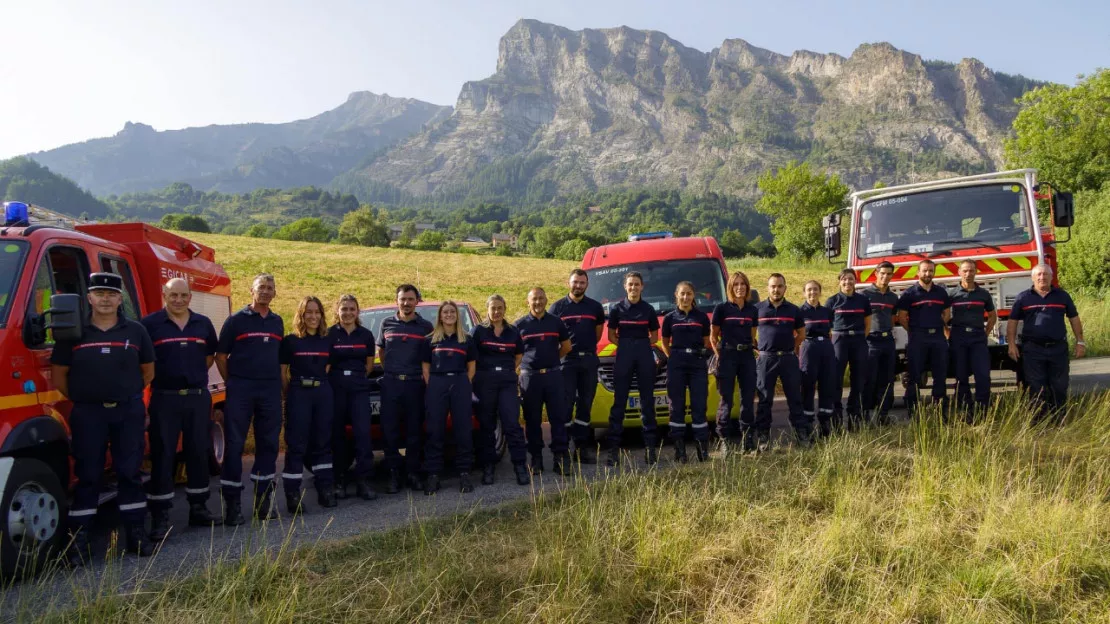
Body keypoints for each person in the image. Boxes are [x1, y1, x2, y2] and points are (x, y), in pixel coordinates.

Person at [51, 273, 156, 565]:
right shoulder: (73, 333)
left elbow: (148, 371)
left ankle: (136, 535)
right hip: (88, 413)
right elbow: (59, 376)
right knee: (89, 476)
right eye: (100, 293)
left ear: (120, 299)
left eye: (111, 294)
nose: (106, 299)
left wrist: (126, 393)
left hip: (127, 411)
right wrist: (87, 397)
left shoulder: (136, 332)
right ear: (89, 298)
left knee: (129, 473)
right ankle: (78, 543)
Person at [141, 277, 221, 544]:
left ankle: (198, 508)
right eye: (173, 295)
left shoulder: (203, 324)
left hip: (197, 397)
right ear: (164, 294)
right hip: (165, 397)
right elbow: (144, 361)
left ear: (190, 297)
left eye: (183, 295)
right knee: (163, 454)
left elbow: (209, 357)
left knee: (198, 451)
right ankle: (161, 516)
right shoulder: (150, 324)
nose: (178, 300)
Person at [215, 273, 284, 524]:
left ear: (275, 292)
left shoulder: (277, 322)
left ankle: (263, 503)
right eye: (261, 287)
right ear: (251, 291)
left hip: (269, 391)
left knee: (268, 445)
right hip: (241, 389)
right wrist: (233, 382)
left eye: (270, 287)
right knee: (234, 445)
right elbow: (220, 356)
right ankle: (232, 505)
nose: (265, 291)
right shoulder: (236, 322)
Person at [1006, 264, 1085, 424]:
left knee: (1060, 386)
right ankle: (1038, 423)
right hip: (1032, 349)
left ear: (1051, 277)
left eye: (1045, 274)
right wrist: (1011, 344)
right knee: (1036, 386)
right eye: (1039, 275)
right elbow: (1012, 322)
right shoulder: (1023, 297)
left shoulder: (1062, 296)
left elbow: (1074, 319)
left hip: (1058, 348)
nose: (1042, 277)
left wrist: (1080, 342)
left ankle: (1060, 420)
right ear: (1033, 278)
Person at [280, 296, 336, 513]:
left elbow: (328, 367)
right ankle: (293, 494)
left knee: (323, 442)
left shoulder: (327, 339)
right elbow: (282, 373)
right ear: (301, 315)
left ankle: (325, 489)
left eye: (316, 312)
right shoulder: (290, 341)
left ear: (321, 315)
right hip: (298, 393)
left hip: (322, 392)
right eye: (308, 312)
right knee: (296, 444)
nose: (313, 316)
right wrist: (291, 393)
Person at [377, 284, 434, 492]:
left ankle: (413, 472)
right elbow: (382, 354)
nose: (406, 303)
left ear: (417, 301)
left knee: (414, 432)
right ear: (397, 300)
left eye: (410, 299)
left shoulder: (426, 327)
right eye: (403, 299)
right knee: (389, 432)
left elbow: (429, 358)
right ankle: (393, 474)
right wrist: (392, 372)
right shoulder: (386, 323)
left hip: (414, 385)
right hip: (391, 384)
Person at [472, 294, 530, 486]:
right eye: (493, 308)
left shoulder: (513, 332)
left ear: (505, 309)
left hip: (507, 382)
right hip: (484, 382)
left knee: (512, 425)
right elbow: (471, 357)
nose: (496, 312)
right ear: (487, 309)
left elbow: (519, 354)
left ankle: (520, 467)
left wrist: (506, 370)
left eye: (500, 308)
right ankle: (488, 467)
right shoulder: (478, 332)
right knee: (487, 425)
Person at [549, 269, 606, 464]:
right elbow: (552, 338)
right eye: (575, 282)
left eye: (582, 282)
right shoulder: (557, 308)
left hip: (589, 361)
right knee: (565, 404)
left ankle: (581, 448)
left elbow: (597, 335)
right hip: (567, 362)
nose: (578, 286)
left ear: (587, 284)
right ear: (569, 283)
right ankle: (564, 448)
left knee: (585, 404)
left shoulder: (595, 308)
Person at [605, 272, 662, 466]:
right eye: (630, 284)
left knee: (647, 402)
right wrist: (626, 345)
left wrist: (641, 346)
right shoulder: (617, 309)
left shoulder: (648, 309)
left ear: (642, 287)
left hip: (644, 353)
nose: (633, 288)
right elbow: (612, 335)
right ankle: (613, 450)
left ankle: (650, 449)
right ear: (625, 287)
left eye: (637, 284)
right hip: (624, 354)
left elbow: (654, 335)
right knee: (619, 402)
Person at [421, 301, 478, 494]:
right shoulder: (430, 339)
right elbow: (425, 367)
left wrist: (463, 383)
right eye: (445, 312)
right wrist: (434, 385)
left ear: (457, 315)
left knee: (463, 429)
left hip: (460, 382)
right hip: (437, 384)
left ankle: (464, 473)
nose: (449, 315)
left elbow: (471, 367)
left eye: (452, 311)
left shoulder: (466, 339)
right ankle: (433, 475)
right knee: (434, 430)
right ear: (440, 316)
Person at [516, 287, 573, 475]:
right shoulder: (519, 325)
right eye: (534, 299)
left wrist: (552, 360)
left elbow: (566, 347)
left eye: (541, 298)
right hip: (530, 378)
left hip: (553, 375)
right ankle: (536, 459)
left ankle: (560, 458)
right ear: (528, 302)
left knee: (558, 417)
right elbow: (515, 354)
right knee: (532, 420)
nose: (538, 302)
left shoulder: (556, 323)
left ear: (546, 299)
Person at [328, 294, 377, 500]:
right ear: (337, 311)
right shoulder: (329, 334)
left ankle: (363, 481)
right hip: (336, 389)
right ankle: (339, 480)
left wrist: (356, 379)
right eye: (344, 309)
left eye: (352, 309)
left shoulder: (366, 335)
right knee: (337, 436)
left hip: (359, 389)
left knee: (363, 435)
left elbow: (369, 365)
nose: (347, 313)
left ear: (357, 312)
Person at [754, 273, 809, 449]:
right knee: (764, 399)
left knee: (795, 398)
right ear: (767, 288)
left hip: (788, 358)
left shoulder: (794, 310)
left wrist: (790, 347)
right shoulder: (757, 309)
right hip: (766, 360)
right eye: (773, 286)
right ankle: (763, 437)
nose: (776, 289)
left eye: (779, 286)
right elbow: (750, 334)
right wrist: (759, 349)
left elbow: (801, 334)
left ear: (785, 288)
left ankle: (801, 434)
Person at [660, 281, 712, 462]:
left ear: (693, 295)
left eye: (689, 293)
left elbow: (707, 340)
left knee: (699, 405)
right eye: (682, 294)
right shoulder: (670, 318)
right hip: (677, 364)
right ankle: (679, 450)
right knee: (677, 406)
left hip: (697, 364)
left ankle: (702, 449)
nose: (685, 297)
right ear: (676, 295)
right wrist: (673, 357)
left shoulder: (702, 318)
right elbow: (665, 342)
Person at [895, 259, 952, 414]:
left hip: (937, 338)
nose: (928, 274)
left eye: (931, 271)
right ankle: (912, 408)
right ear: (918, 273)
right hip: (918, 337)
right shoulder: (909, 294)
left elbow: (947, 313)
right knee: (914, 374)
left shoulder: (941, 292)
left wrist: (938, 324)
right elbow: (902, 317)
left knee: (940, 374)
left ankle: (940, 408)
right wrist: (913, 331)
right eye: (925, 271)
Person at [711, 271, 757, 455]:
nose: (740, 287)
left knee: (747, 399)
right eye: (736, 284)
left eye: (743, 284)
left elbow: (752, 336)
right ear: (730, 287)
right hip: (727, 356)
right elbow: (713, 338)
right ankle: (724, 440)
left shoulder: (752, 310)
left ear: (747, 287)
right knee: (726, 400)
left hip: (746, 356)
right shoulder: (721, 309)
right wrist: (720, 357)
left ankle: (747, 438)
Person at [948, 260, 997, 417]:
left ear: (976, 272)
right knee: (961, 376)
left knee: (982, 375)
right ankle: (966, 411)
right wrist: (948, 335)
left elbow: (992, 315)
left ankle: (983, 410)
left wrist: (986, 332)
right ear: (959, 273)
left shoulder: (983, 294)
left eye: (971, 271)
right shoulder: (952, 294)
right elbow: (942, 317)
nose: (968, 274)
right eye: (965, 271)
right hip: (958, 337)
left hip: (977, 337)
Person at [827, 269, 872, 428]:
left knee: (858, 380)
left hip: (858, 339)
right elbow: (827, 325)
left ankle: (854, 415)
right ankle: (836, 416)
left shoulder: (863, 300)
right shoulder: (832, 301)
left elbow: (868, 323)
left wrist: (861, 338)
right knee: (836, 379)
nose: (848, 282)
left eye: (851, 279)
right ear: (839, 281)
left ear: (856, 281)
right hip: (839, 340)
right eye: (844, 279)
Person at [799, 280, 837, 438]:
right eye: (809, 290)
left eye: (815, 289)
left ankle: (825, 421)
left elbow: (832, 330)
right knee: (808, 385)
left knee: (827, 384)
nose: (812, 293)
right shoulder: (799, 312)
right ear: (804, 293)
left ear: (820, 292)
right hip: (808, 348)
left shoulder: (827, 311)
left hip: (826, 348)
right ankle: (807, 422)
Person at [863, 262, 898, 424]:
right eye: (882, 273)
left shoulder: (893, 297)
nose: (885, 277)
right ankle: (866, 415)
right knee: (870, 379)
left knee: (887, 379)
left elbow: (892, 318)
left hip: (888, 341)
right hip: (871, 341)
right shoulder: (865, 295)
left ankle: (883, 415)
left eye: (889, 274)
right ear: (876, 273)